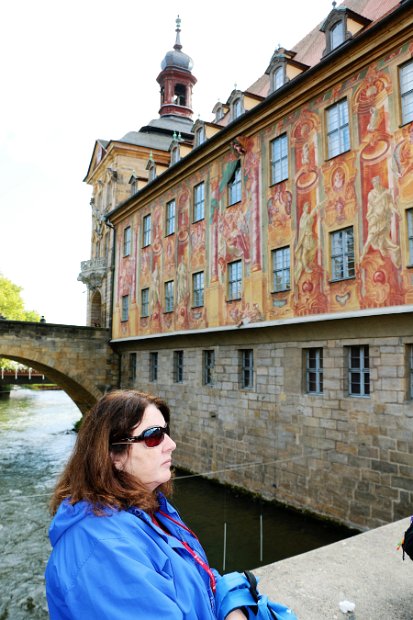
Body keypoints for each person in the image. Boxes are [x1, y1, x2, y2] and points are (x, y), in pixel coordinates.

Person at [45, 390, 246, 620]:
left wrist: (231, 606)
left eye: (166, 432)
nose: (171, 444)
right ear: (113, 455)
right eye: (153, 436)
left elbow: (198, 577)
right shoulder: (102, 549)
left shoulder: (150, 508)